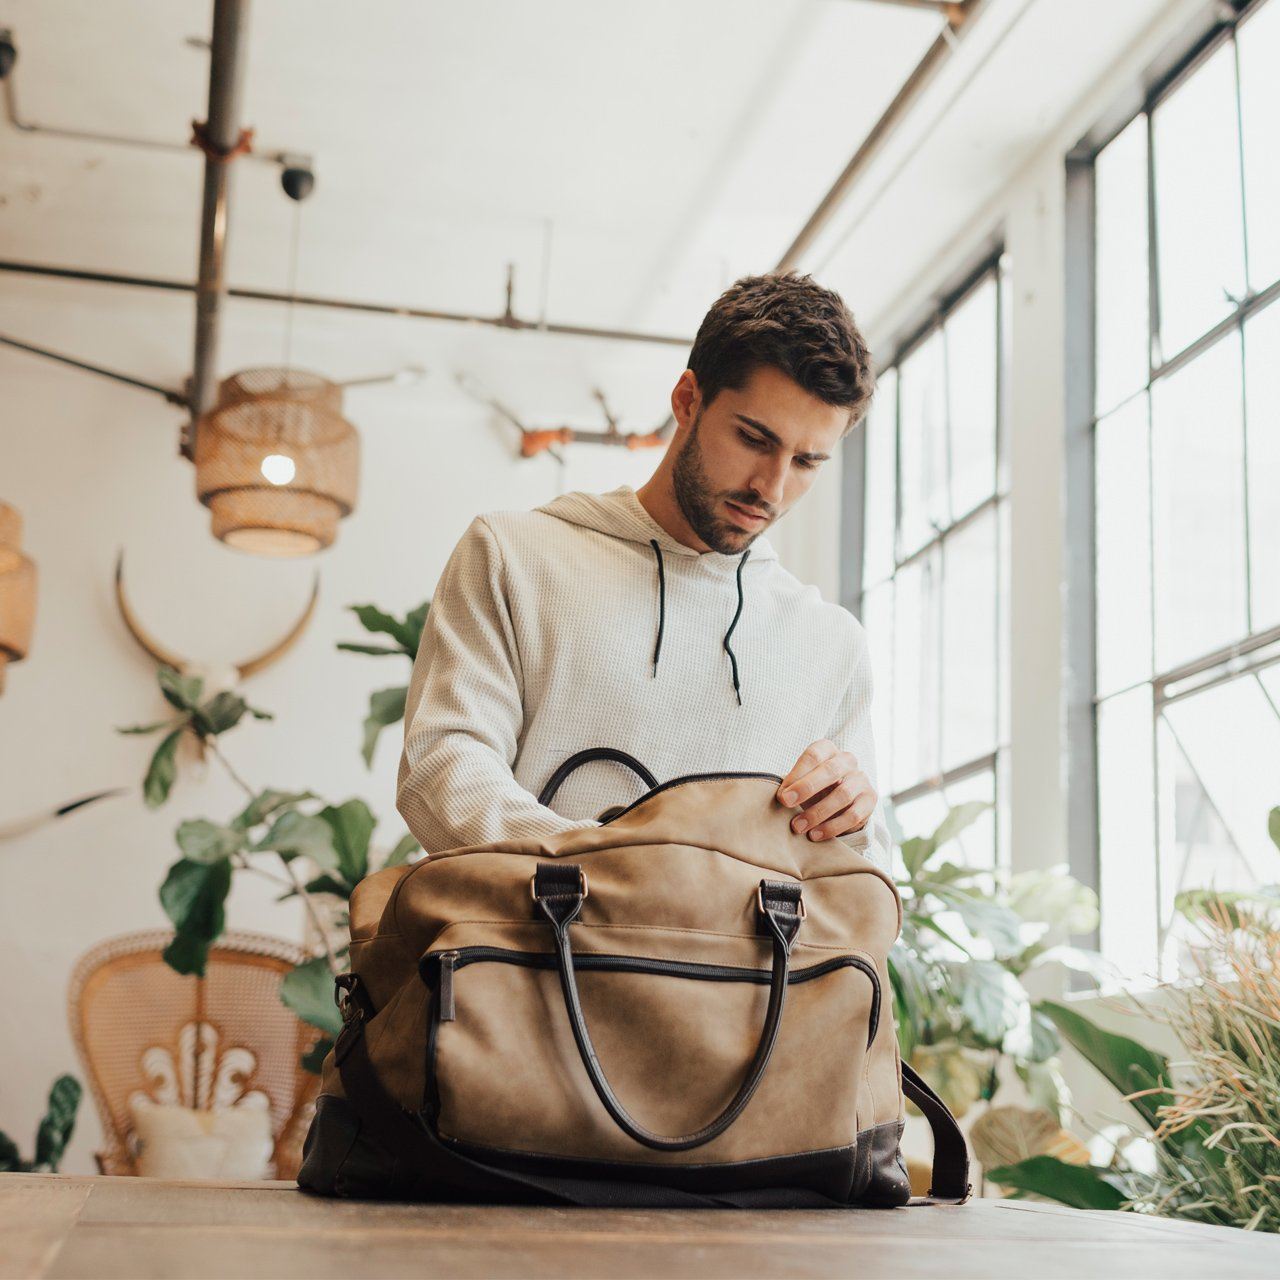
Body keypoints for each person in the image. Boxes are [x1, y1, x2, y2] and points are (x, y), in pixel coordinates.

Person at [396, 270, 891, 868]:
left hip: (746, 964)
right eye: (754, 439)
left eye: (807, 461)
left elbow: (872, 876)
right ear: (687, 400)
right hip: (542, 952)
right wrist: (611, 875)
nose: (772, 488)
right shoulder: (514, 556)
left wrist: (855, 823)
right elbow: (443, 767)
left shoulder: (830, 643)